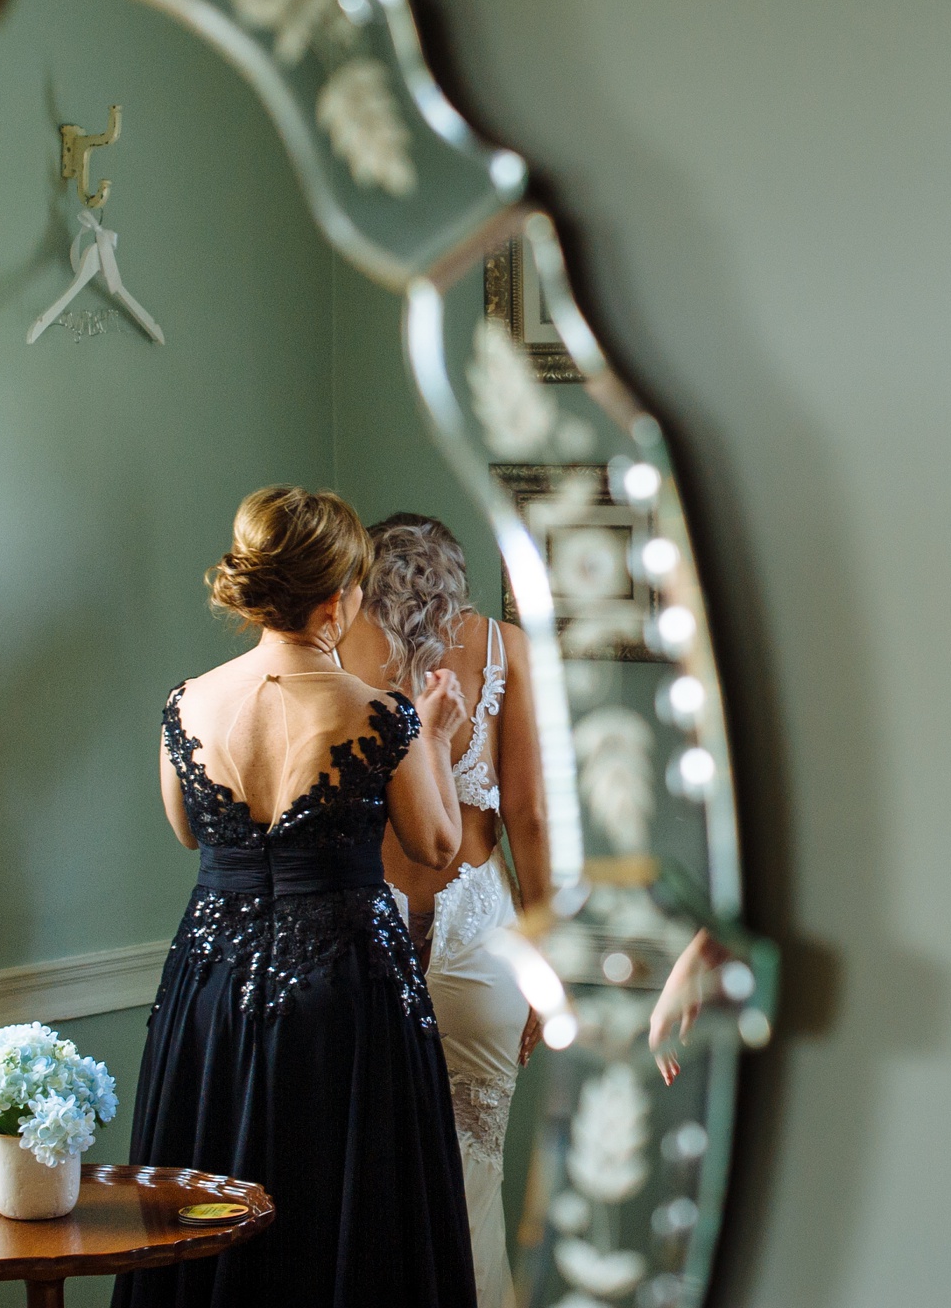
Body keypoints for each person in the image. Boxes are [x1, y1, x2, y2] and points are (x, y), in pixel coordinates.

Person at [114, 486, 479, 1308]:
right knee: (344, 1214)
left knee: (209, 1203)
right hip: (347, 993)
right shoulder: (382, 716)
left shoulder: (187, 702)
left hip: (209, 988)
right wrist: (437, 738)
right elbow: (438, 846)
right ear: (339, 596)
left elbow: (187, 831)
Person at [338, 513, 550, 1308]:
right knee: (475, 1177)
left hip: (366, 930)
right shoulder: (504, 648)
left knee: (370, 1181)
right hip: (481, 933)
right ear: (455, 580)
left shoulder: (339, 652)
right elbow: (528, 816)